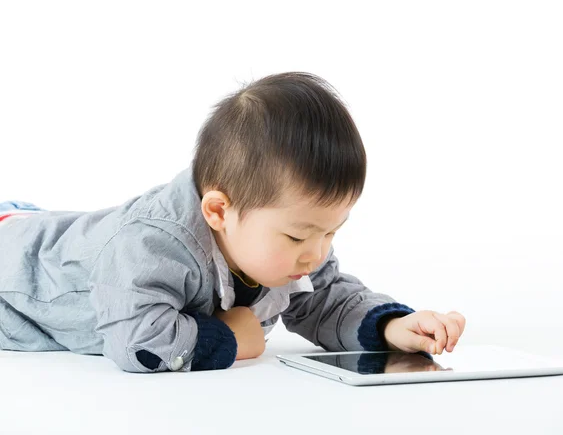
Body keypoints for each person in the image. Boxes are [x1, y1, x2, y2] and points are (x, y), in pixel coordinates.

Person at [0, 72, 466, 373]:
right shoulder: (150, 246)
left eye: (331, 232)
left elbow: (324, 298)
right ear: (219, 211)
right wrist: (233, 338)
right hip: (18, 275)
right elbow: (136, 340)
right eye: (299, 235)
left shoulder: (289, 251)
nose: (317, 252)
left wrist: (392, 328)